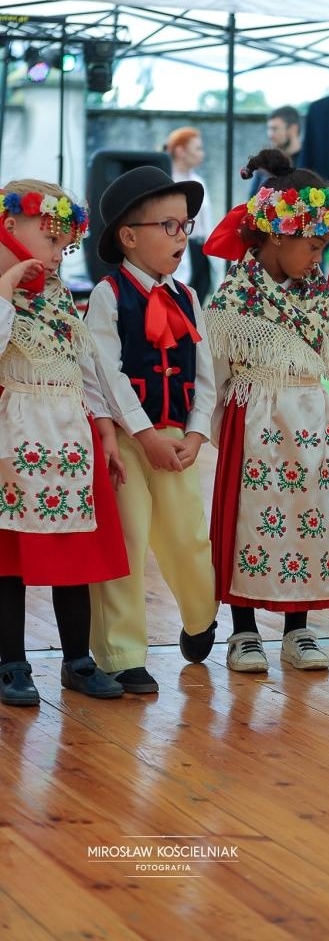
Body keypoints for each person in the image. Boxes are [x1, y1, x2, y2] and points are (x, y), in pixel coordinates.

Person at [203, 149, 329, 672]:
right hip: (257, 421)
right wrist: (211, 431)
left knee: (310, 519)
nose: (318, 259)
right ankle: (243, 631)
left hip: (311, 419)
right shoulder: (234, 299)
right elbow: (214, 376)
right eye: (313, 247)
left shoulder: (314, 293)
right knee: (252, 521)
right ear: (278, 235)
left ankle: (298, 628)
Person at [85, 166, 219, 693]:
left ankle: (200, 617)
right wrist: (143, 435)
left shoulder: (187, 298)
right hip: (127, 439)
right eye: (169, 226)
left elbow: (206, 373)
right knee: (128, 537)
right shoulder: (108, 295)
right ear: (129, 235)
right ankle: (122, 651)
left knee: (187, 534)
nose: (181, 237)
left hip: (177, 438)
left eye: (185, 226)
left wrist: (195, 433)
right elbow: (106, 372)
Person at [0, 180, 129, 706]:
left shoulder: (56, 297)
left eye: (64, 244)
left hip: (70, 436)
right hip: (16, 436)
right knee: (8, 559)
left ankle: (78, 659)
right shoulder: (6, 289)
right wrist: (7, 286)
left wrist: (105, 430)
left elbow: (86, 367)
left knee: (76, 553)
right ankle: (11, 662)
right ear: (11, 227)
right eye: (50, 238)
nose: (57, 254)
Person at [165, 126, 213, 303]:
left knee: (200, 297)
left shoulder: (198, 180)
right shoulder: (168, 180)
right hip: (181, 247)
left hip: (201, 248)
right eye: (197, 148)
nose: (202, 154)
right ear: (180, 151)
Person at [248, 108, 303, 196]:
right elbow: (251, 200)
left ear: (293, 129)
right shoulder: (265, 162)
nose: (270, 135)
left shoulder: (310, 160)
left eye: (274, 129)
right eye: (269, 129)